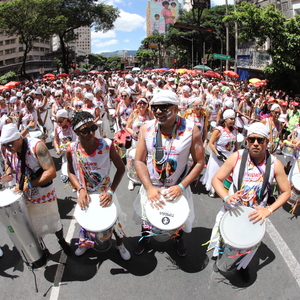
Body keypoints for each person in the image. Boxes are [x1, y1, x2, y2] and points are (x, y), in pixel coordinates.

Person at [208, 122, 290, 282]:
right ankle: (220, 257)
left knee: (248, 244)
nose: (256, 144)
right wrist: (226, 196)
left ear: (267, 142)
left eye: (260, 140)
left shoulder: (274, 163)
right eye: (252, 140)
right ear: (247, 141)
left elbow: (286, 191)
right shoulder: (237, 157)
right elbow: (216, 179)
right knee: (225, 238)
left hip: (254, 215)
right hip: (232, 211)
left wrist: (269, 210)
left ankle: (241, 266)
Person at [134, 90, 205, 256]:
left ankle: (178, 239)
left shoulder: (191, 129)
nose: (158, 111)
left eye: (164, 107)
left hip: (177, 187)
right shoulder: (146, 128)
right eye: (155, 107)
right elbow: (139, 160)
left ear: (176, 108)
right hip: (152, 186)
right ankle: (145, 237)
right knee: (147, 218)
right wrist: (149, 188)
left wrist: (181, 186)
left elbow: (200, 162)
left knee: (177, 218)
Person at [66, 111, 131, 260]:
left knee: (114, 220)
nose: (91, 133)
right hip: (85, 194)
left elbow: (121, 169)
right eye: (85, 131)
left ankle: (119, 244)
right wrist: (81, 190)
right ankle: (86, 243)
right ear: (76, 132)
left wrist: (111, 191)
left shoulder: (107, 145)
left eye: (93, 128)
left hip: (105, 193)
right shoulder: (71, 149)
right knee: (86, 221)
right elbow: (70, 172)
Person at [0, 123, 72, 256]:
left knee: (53, 221)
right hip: (24, 196)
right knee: (32, 227)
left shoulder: (36, 147)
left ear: (18, 138)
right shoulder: (9, 148)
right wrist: (9, 174)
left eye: (9, 145)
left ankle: (61, 241)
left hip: (44, 193)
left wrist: (29, 185)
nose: (7, 148)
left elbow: (51, 172)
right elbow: (8, 162)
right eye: (4, 146)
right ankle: (42, 248)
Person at [201, 109, 237, 197]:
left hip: (229, 156)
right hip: (218, 156)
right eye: (230, 119)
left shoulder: (235, 130)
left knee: (226, 173)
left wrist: (236, 153)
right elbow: (211, 143)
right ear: (225, 119)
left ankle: (224, 189)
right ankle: (213, 190)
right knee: (216, 173)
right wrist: (217, 154)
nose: (233, 121)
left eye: (233, 119)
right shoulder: (219, 130)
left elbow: (235, 144)